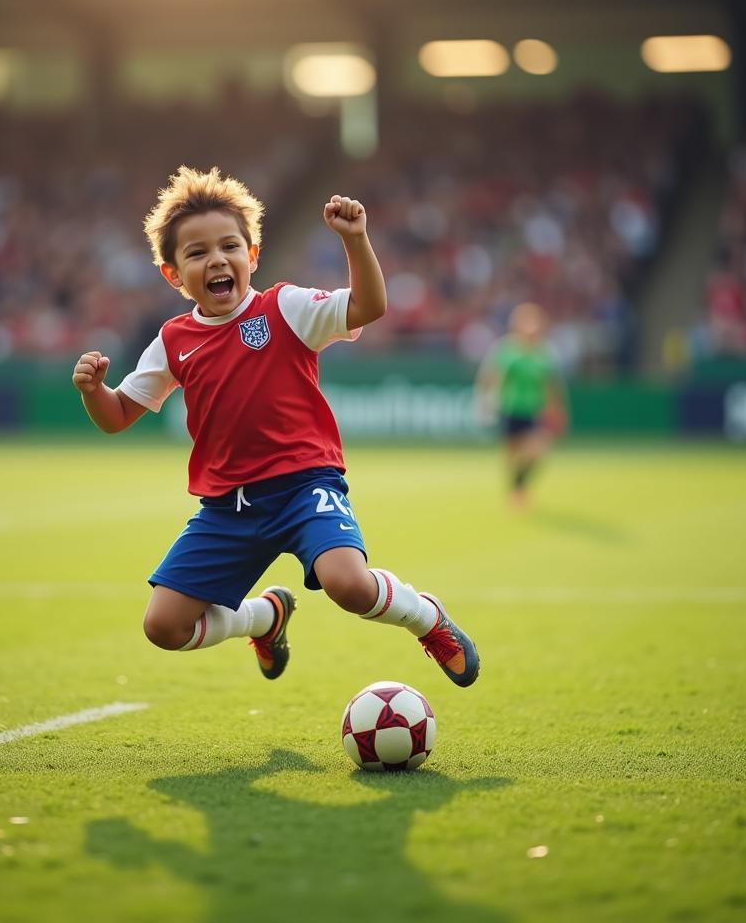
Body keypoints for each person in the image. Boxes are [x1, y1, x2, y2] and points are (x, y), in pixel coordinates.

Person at [72, 166, 478, 688]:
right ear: (173, 275)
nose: (216, 259)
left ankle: (428, 619)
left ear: (252, 255)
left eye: (229, 246)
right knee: (164, 626)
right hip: (228, 508)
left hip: (304, 487)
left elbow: (370, 306)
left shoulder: (284, 307)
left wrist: (355, 240)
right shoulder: (173, 340)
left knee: (348, 586)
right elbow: (117, 417)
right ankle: (264, 618)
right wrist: (93, 393)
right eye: (196, 254)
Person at [476, 302, 568, 509]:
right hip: (510, 409)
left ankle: (519, 488)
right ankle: (517, 491)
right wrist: (485, 402)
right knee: (513, 456)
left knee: (537, 450)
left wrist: (558, 410)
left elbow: (552, 385)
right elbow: (490, 377)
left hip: (533, 411)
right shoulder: (507, 350)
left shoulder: (544, 354)